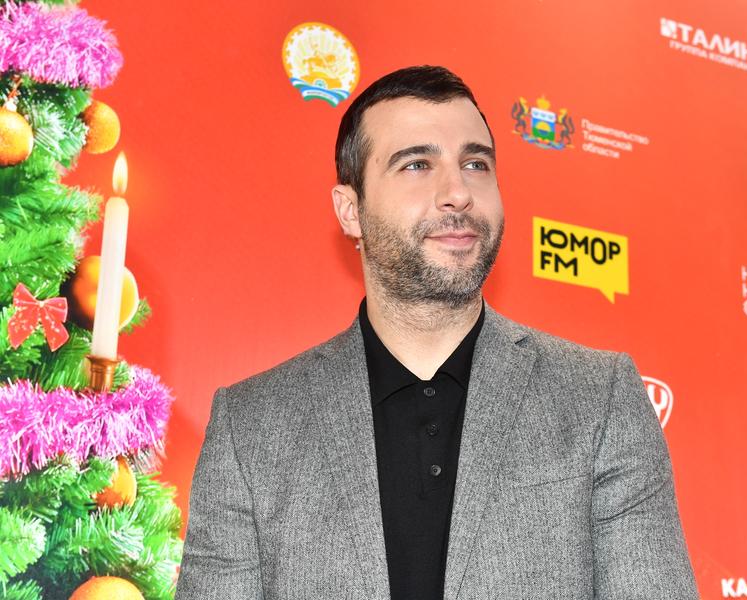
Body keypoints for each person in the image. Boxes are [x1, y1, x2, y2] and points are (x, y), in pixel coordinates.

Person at [176, 65, 699, 600]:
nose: (457, 192)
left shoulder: (598, 398)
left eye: (475, 164)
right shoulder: (251, 426)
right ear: (350, 210)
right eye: (416, 165)